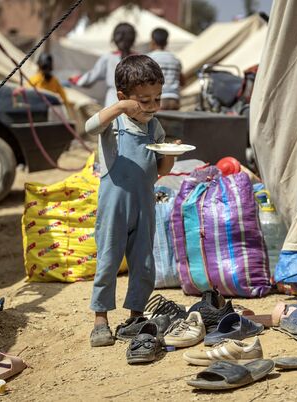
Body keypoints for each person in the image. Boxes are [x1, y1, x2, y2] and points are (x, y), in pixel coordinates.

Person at [86, 55, 177, 347]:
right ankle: (101, 319)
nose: (152, 106)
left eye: (157, 99)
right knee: (109, 258)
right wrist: (120, 108)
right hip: (115, 204)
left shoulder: (154, 127)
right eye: (144, 101)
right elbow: (89, 126)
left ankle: (136, 315)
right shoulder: (114, 124)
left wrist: (171, 156)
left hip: (145, 203)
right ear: (124, 98)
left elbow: (161, 171)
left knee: (143, 261)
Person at [70, 23, 136, 107]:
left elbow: (91, 77)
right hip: (134, 101)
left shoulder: (108, 57)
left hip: (113, 101)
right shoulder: (140, 58)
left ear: (115, 39)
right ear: (133, 39)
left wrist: (77, 79)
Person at [147, 28, 182, 110]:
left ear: (152, 41)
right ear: (166, 42)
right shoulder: (175, 59)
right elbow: (182, 80)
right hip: (175, 100)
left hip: (159, 100)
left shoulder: (148, 59)